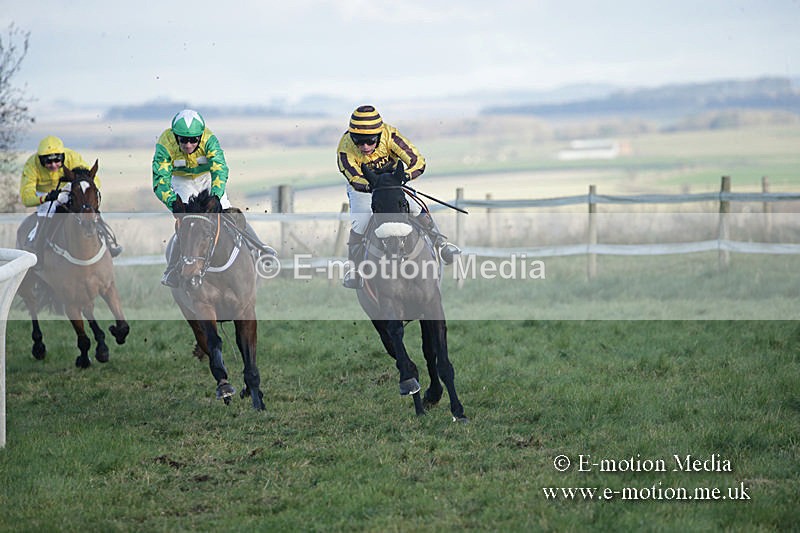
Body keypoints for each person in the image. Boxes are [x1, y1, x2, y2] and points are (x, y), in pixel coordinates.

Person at [336, 104, 460, 288]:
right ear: (351, 137)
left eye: (370, 140)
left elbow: (417, 160)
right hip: (364, 187)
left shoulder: (391, 135)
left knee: (415, 206)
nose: (365, 146)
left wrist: (405, 176)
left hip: (393, 183)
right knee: (360, 221)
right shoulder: (344, 148)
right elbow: (354, 177)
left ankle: (441, 245)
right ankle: (354, 269)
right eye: (358, 141)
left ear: (379, 134)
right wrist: (376, 185)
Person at [152, 108, 268, 287]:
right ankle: (173, 268)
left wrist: (215, 195)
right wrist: (172, 200)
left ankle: (259, 247)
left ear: (200, 136)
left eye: (193, 140)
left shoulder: (209, 140)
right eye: (183, 140)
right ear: (175, 137)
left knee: (227, 209)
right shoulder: (165, 143)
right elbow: (160, 180)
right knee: (188, 221)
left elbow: (220, 169)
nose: (188, 144)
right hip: (182, 181)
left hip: (207, 178)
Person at [19, 135, 122, 267]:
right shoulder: (31, 165)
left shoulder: (73, 157)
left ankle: (108, 242)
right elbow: (26, 198)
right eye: (48, 162)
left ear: (63, 157)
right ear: (40, 160)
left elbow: (91, 179)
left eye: (57, 161)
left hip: (68, 189)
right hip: (46, 195)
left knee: (88, 207)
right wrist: (45, 198)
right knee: (47, 212)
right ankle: (38, 249)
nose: (53, 165)